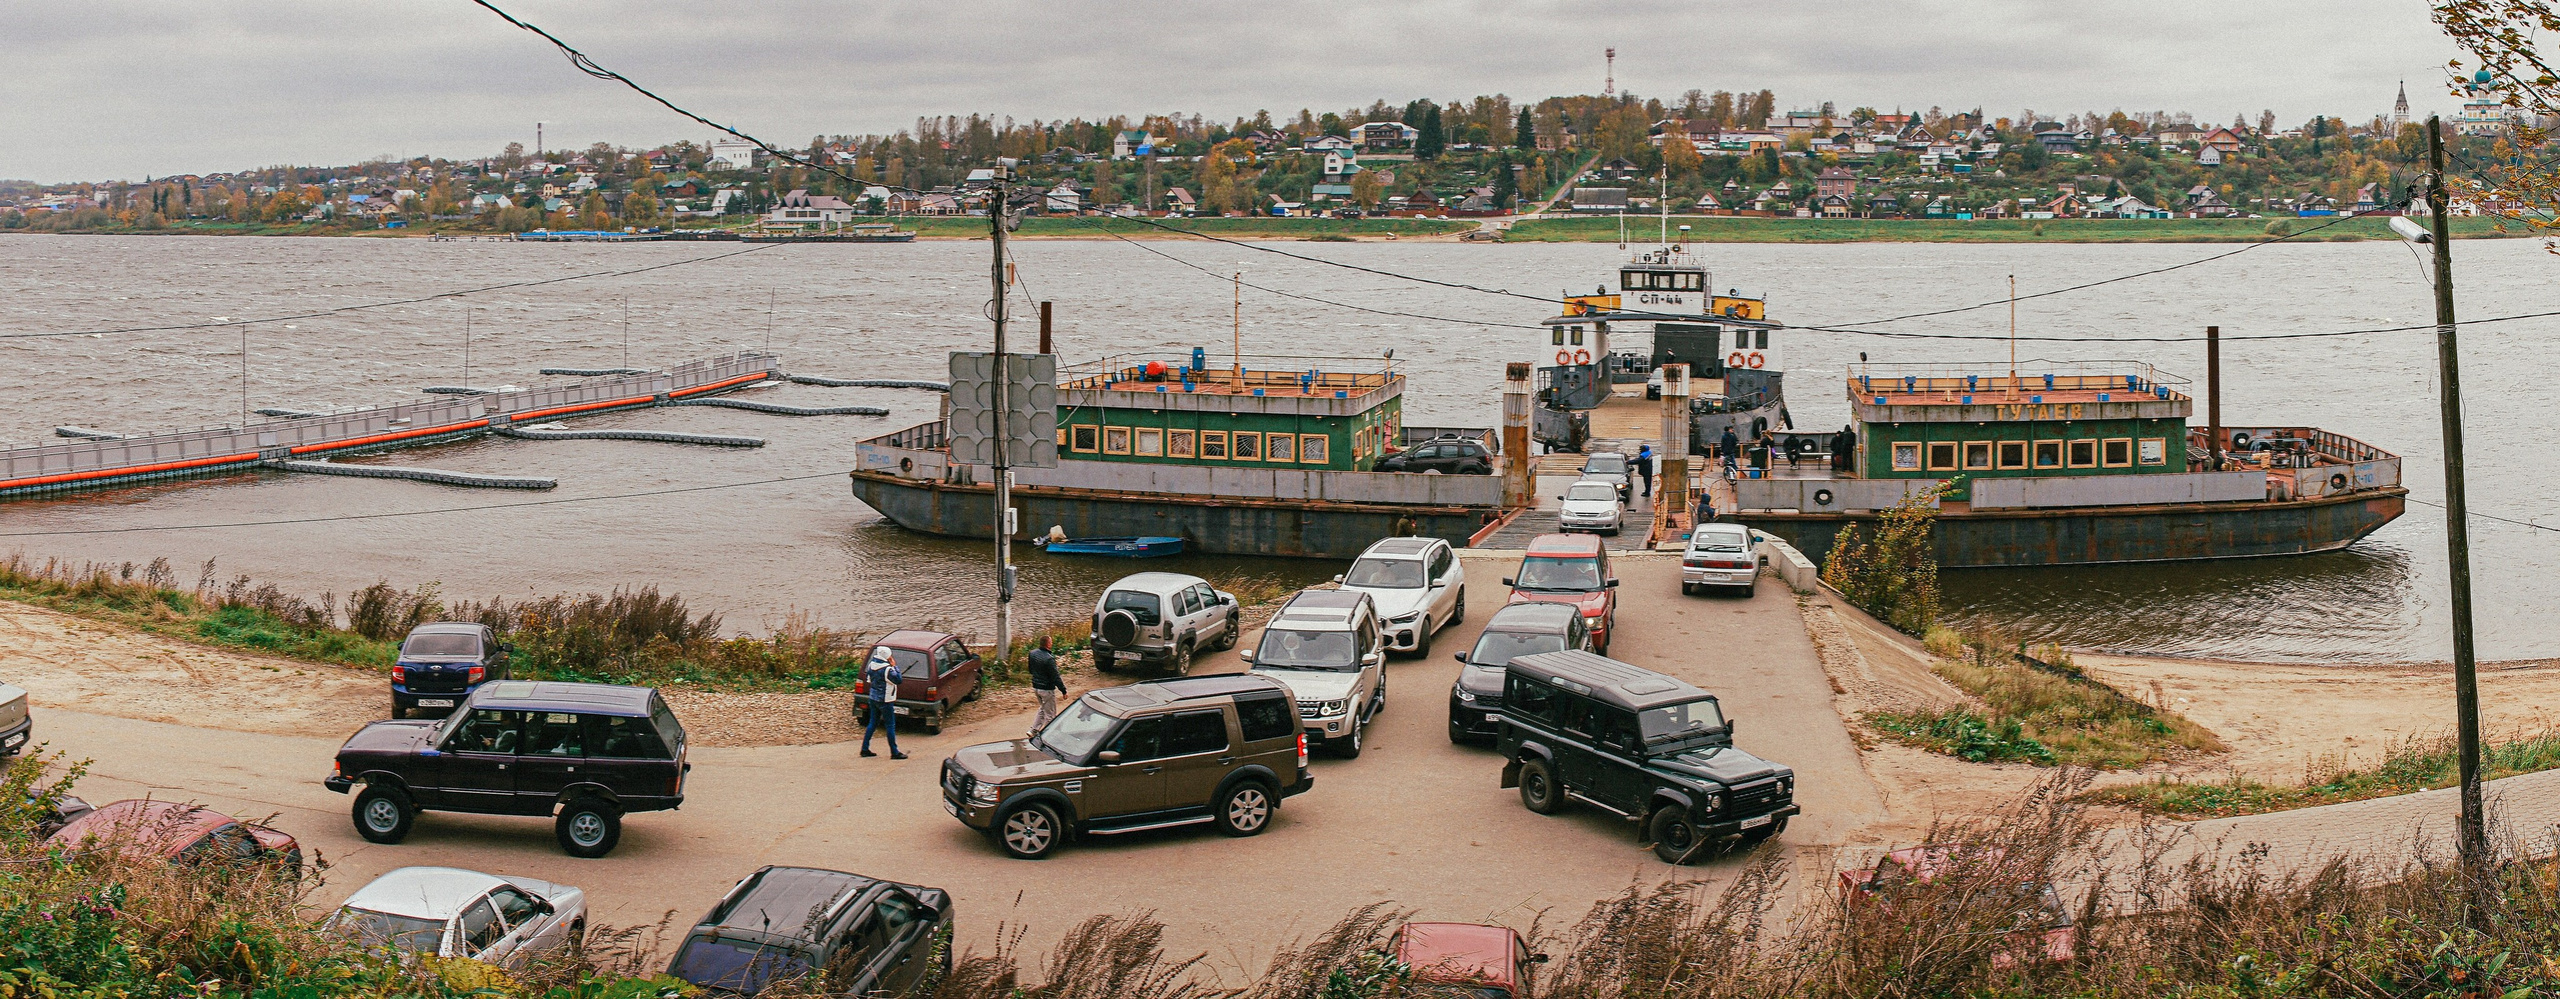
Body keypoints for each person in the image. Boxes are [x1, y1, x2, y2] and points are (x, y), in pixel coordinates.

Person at [860, 646, 906, 760]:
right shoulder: (888, 669)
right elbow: (898, 680)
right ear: (887, 656)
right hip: (885, 700)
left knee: (872, 723)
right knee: (890, 725)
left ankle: (864, 749)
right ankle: (894, 752)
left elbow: (869, 680)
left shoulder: (871, 665)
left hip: (873, 698)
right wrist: (895, 666)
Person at [1028, 635, 1064, 737]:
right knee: (1050, 714)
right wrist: (1063, 690)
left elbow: (1030, 670)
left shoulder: (1032, 653)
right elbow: (1055, 676)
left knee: (1043, 708)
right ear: (1048, 644)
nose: (1052, 643)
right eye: (1051, 642)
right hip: (1046, 689)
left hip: (1036, 687)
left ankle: (1033, 730)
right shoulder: (1049, 659)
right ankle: (1049, 735)